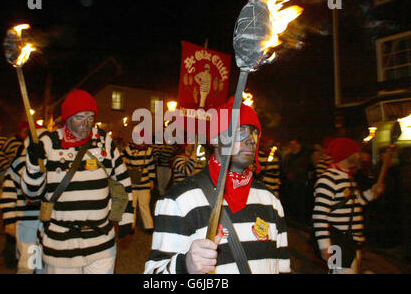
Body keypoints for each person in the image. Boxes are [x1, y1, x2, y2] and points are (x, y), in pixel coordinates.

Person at [145, 98, 290, 274]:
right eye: (240, 130)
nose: (251, 140)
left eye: (254, 133)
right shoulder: (180, 201)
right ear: (215, 139)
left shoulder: (271, 201)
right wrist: (185, 265)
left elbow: (282, 269)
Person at [21, 89, 134, 274]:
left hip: (101, 241)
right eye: (80, 117)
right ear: (66, 118)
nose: (86, 123)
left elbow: (121, 180)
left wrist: (126, 218)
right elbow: (31, 193)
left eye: (90, 116)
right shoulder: (48, 143)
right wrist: (33, 164)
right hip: (61, 245)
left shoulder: (104, 142)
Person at [313, 138, 385, 274]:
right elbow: (319, 216)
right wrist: (325, 246)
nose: (358, 156)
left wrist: (372, 193)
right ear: (346, 154)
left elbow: (356, 203)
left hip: (350, 243)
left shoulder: (346, 177)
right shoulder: (328, 179)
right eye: (356, 153)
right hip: (339, 243)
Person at [0, 126, 48, 274]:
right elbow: (8, 193)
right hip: (27, 223)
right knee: (28, 261)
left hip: (47, 223)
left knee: (44, 263)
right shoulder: (19, 163)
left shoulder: (51, 165)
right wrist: (9, 221)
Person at [122, 138, 156, 233]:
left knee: (144, 204)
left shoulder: (149, 150)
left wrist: (152, 180)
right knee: (132, 205)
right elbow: (121, 162)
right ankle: (131, 226)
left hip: (145, 182)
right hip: (132, 183)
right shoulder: (128, 149)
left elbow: (151, 166)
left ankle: (149, 226)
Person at [282, 137, 313, 223]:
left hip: (299, 182)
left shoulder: (304, 156)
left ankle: (299, 218)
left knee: (299, 200)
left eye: (294, 144)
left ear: (299, 145)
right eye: (291, 145)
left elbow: (304, 168)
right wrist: (288, 173)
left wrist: (294, 174)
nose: (292, 146)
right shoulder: (288, 156)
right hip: (289, 182)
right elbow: (284, 166)